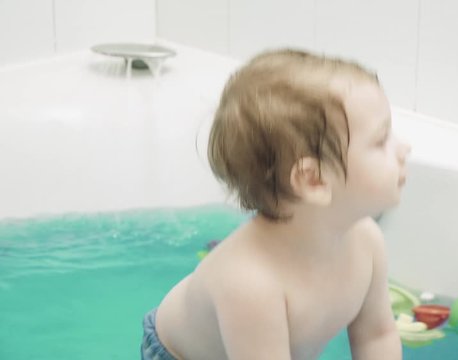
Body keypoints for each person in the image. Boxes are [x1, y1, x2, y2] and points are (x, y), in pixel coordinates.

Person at [141, 48, 411, 360]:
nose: (405, 148)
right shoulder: (251, 285)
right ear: (313, 180)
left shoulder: (367, 241)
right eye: (381, 140)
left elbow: (377, 337)